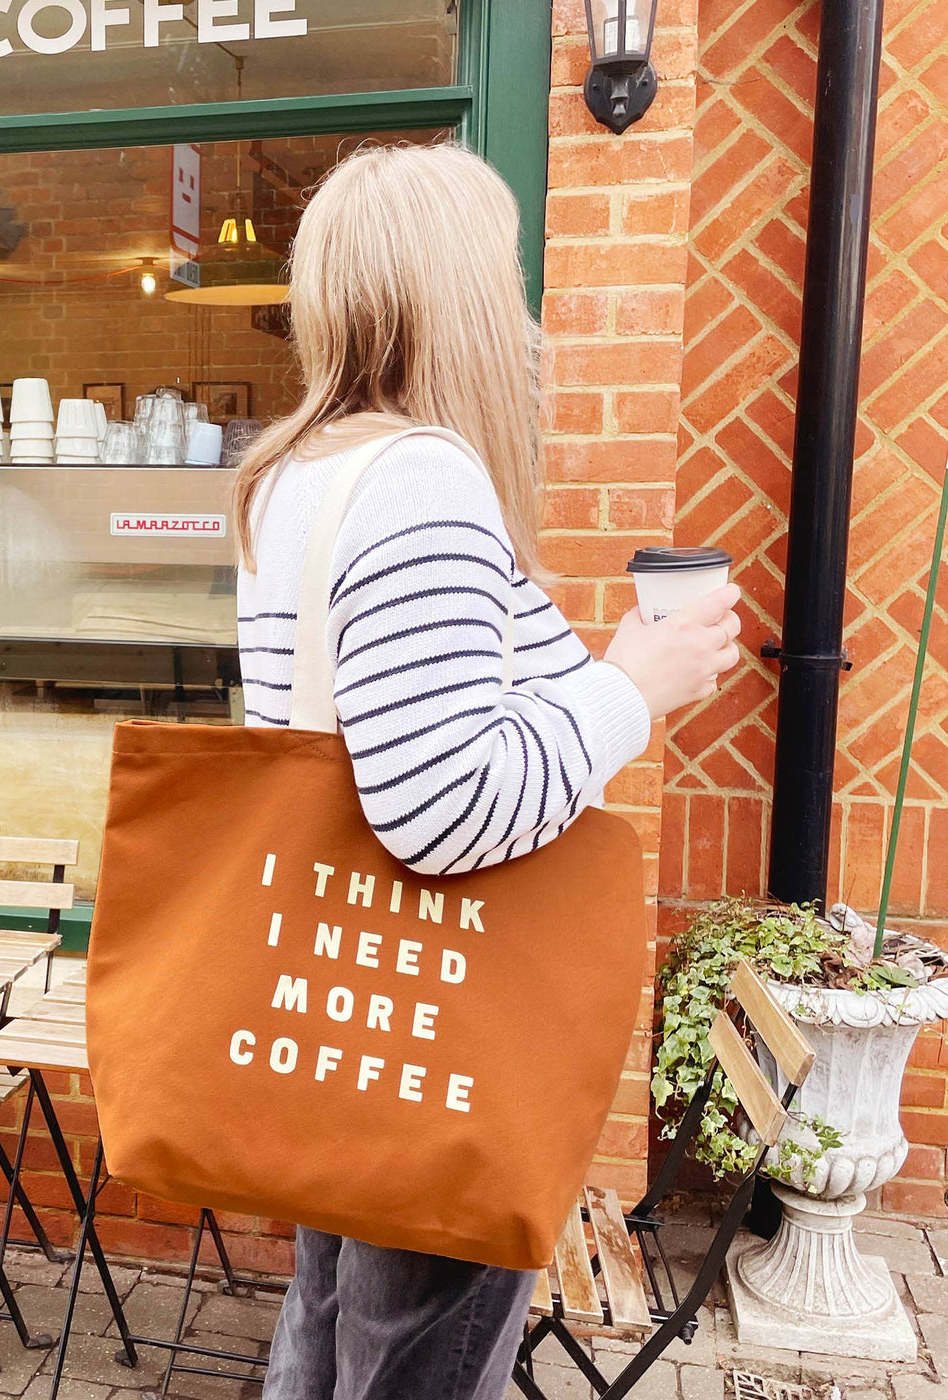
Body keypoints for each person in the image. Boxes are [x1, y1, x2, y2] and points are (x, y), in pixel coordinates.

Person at [233, 142, 740, 1400]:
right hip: (437, 1023)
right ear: (456, 289)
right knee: (408, 1359)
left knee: (326, 1319)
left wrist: (610, 662)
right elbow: (440, 805)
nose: (519, 310)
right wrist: (636, 689)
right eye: (504, 269)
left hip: (340, 997)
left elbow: (376, 745)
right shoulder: (421, 480)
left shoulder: (298, 472)